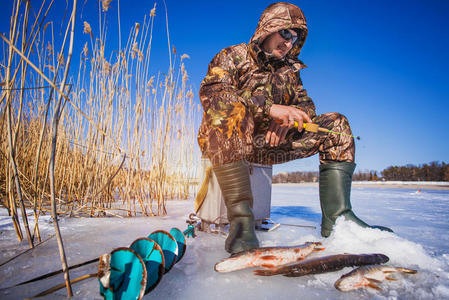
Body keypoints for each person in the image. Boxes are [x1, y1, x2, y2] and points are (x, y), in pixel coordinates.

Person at [197, 2, 392, 254]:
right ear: (268, 29)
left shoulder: (290, 71)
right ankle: (242, 224)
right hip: (227, 147)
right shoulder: (232, 56)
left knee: (337, 126)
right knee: (229, 108)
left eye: (296, 37)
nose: (290, 43)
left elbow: (306, 105)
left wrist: (290, 122)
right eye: (286, 33)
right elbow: (213, 93)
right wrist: (269, 109)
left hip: (268, 146)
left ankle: (339, 220)